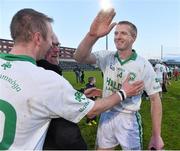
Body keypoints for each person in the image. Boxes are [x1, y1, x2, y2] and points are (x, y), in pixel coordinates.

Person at [0, 8, 144, 150]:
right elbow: (92, 110)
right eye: (51, 38)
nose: (52, 45)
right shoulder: (46, 79)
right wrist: (123, 93)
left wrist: (79, 94)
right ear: (38, 38)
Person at [74, 9, 164, 150]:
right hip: (106, 113)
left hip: (128, 119)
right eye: (115, 33)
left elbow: (155, 99)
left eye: (123, 33)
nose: (117, 36)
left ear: (133, 38)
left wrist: (156, 135)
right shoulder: (106, 56)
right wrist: (93, 36)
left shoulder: (143, 65)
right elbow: (79, 57)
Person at [37, 33, 87, 150]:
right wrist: (122, 94)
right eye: (52, 46)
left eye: (58, 45)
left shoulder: (51, 70)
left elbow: (60, 97)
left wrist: (81, 93)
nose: (57, 50)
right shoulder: (46, 74)